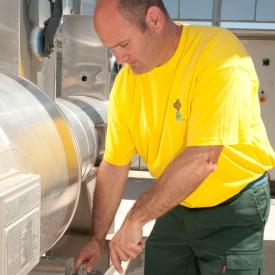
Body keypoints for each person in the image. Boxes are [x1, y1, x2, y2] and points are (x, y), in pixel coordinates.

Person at [75, 0, 275, 274]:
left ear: (155, 20)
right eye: (112, 49)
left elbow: (202, 159)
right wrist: (96, 239)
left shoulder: (219, 55)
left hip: (233, 202)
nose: (119, 58)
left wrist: (135, 218)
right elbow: (114, 165)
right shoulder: (126, 84)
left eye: (124, 44)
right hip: (178, 200)